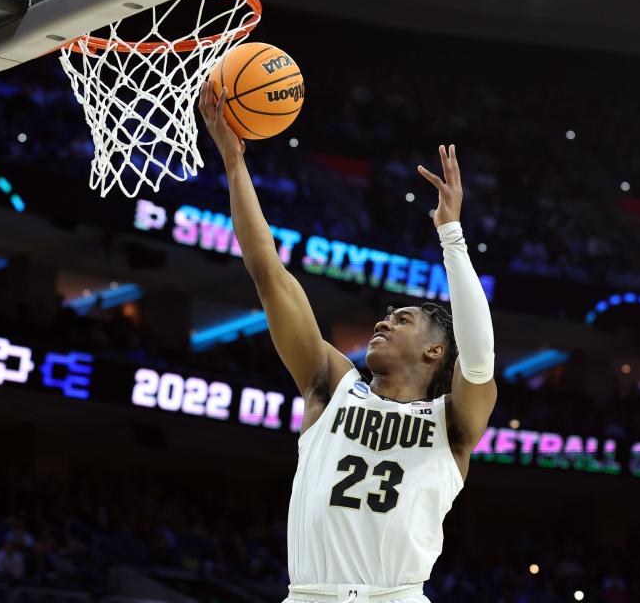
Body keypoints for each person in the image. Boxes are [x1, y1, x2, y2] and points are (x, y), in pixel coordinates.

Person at [199, 81, 497, 603]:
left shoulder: (451, 425)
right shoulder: (330, 385)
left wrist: (452, 235)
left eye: (401, 319)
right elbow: (269, 273)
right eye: (385, 316)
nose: (382, 323)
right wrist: (233, 161)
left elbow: (479, 358)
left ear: (435, 351)